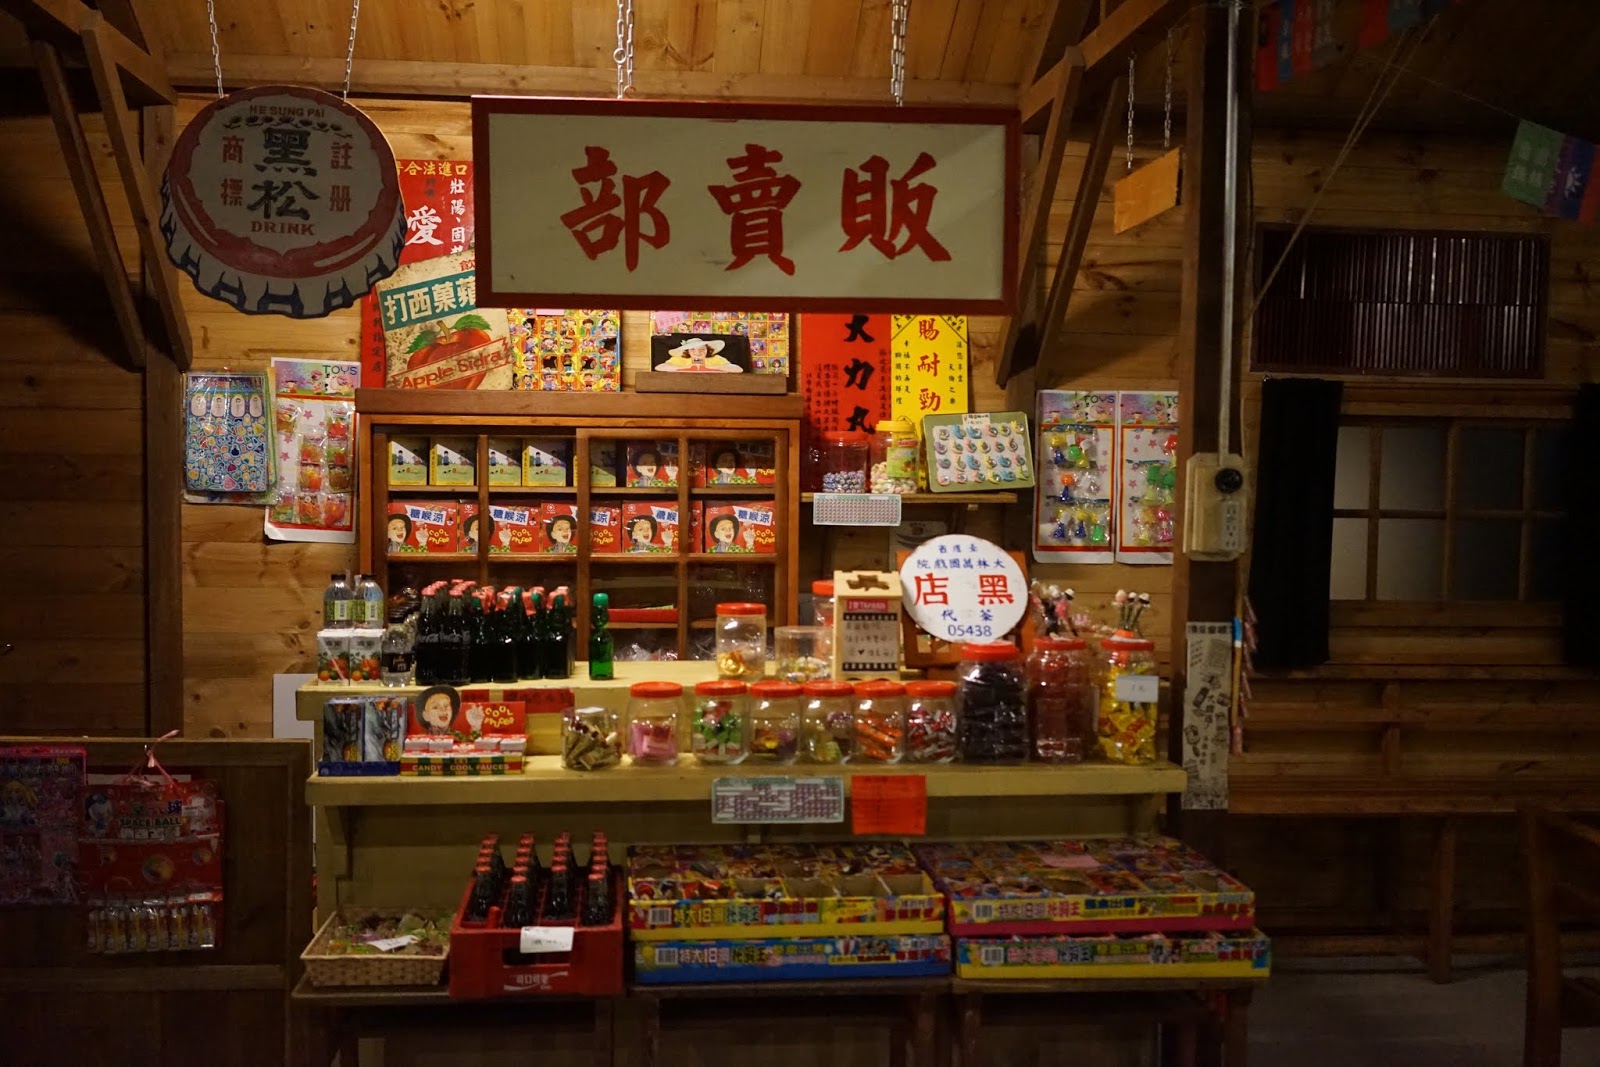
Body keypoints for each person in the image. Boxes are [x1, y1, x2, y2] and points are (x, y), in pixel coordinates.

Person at [656, 336, 742, 373]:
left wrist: (709, 368)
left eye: (702, 349)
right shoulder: (680, 359)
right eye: (692, 349)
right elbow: (660, 367)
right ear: (687, 351)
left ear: (707, 350)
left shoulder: (716, 359)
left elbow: (738, 369)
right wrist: (687, 368)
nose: (697, 353)